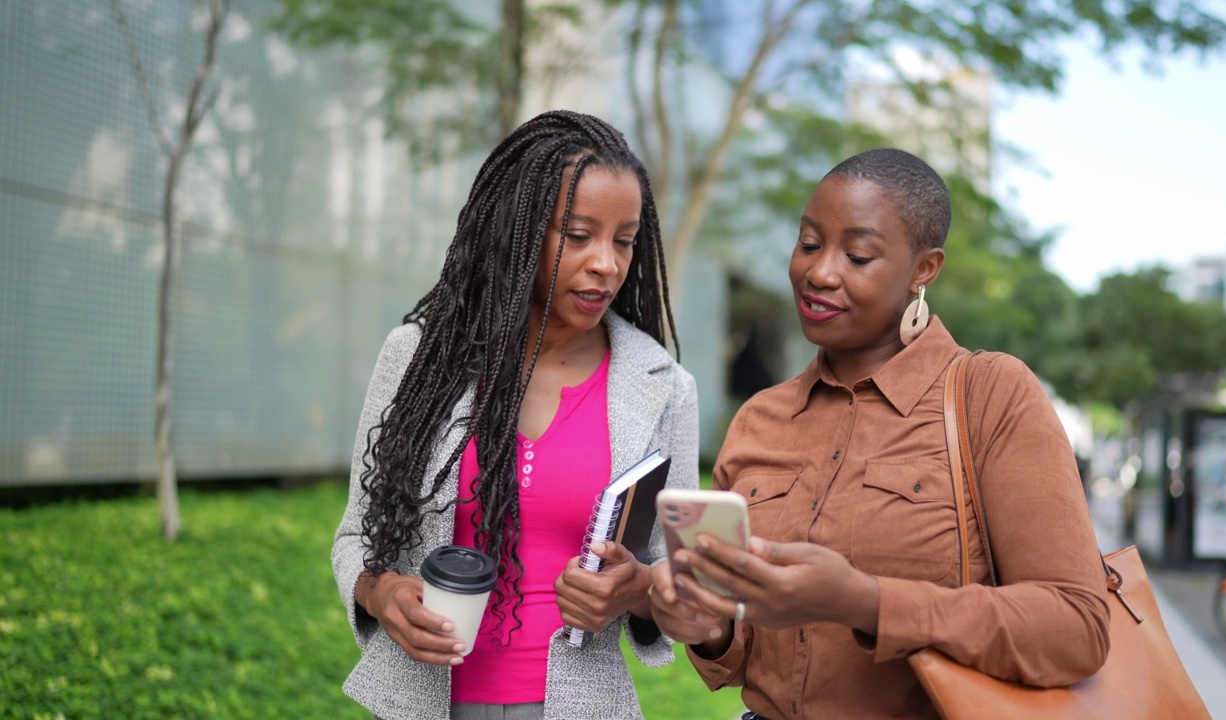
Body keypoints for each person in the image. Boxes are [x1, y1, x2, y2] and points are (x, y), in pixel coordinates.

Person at [649, 148, 1109, 719]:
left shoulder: (990, 394)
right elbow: (742, 658)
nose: (819, 272)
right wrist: (707, 627)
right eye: (809, 243)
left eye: (859, 255)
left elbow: (1076, 627)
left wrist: (866, 602)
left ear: (924, 270)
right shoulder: (760, 418)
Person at [332, 110, 699, 720]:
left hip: (582, 706)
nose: (606, 262)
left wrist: (639, 589)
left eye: (624, 239)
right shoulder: (419, 360)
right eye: (578, 234)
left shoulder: (662, 387)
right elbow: (355, 538)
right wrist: (380, 590)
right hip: (427, 702)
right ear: (519, 231)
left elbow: (677, 578)